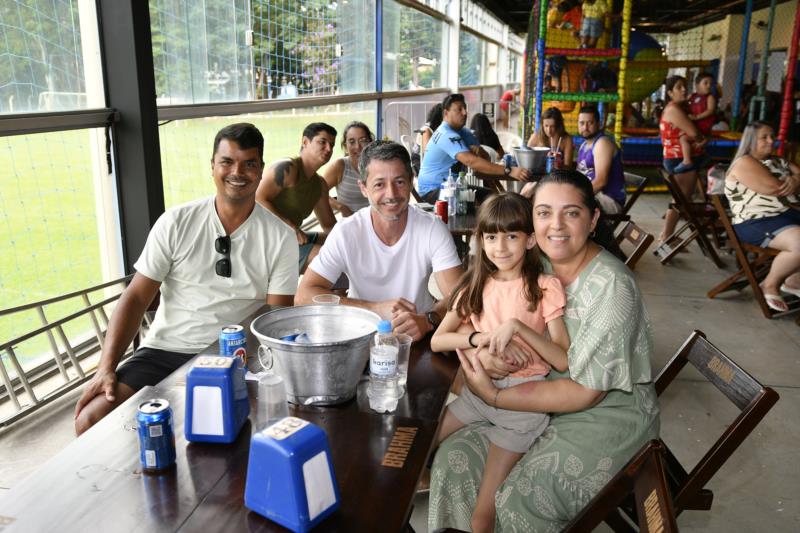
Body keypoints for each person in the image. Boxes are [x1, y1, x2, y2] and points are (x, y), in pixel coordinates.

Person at [429, 170, 660, 531]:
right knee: (453, 458)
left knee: (522, 495)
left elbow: (585, 393)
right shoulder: (535, 262)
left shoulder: (613, 289)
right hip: (529, 395)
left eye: (571, 213)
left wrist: (492, 395)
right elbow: (471, 317)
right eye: (544, 212)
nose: (556, 225)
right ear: (531, 225)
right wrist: (484, 353)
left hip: (601, 416)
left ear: (593, 219)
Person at [73, 123, 298, 435]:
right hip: (164, 349)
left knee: (234, 430)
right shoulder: (176, 222)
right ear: (212, 166)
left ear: (261, 170)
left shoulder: (280, 236)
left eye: (249, 164)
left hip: (234, 354)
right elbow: (136, 297)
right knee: (91, 417)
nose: (237, 172)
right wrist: (105, 368)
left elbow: (275, 316)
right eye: (227, 162)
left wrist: (243, 364)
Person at [430, 193, 570, 532]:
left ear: (530, 240)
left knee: (482, 516)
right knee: (418, 451)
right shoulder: (475, 283)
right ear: (480, 240)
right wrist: (481, 339)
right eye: (491, 237)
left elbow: (562, 359)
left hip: (522, 407)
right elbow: (438, 340)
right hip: (477, 396)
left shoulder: (543, 287)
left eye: (511, 236)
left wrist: (518, 328)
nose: (500, 247)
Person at [295, 141, 464, 341]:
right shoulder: (346, 232)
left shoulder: (432, 228)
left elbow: (460, 298)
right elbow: (303, 296)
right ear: (364, 188)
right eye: (379, 184)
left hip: (417, 336)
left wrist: (428, 319)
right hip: (359, 335)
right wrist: (373, 308)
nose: (391, 194)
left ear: (411, 182)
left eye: (399, 182)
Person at [725, 121, 800, 312]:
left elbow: (797, 175)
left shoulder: (776, 160)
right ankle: (770, 284)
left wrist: (794, 179)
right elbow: (775, 188)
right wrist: (792, 180)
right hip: (756, 221)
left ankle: (793, 280)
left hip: (785, 215)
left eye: (772, 136)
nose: (771, 141)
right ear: (750, 140)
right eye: (764, 137)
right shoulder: (745, 162)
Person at [417, 93, 530, 204]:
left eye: (465, 108)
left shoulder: (463, 132)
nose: (465, 113)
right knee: (489, 203)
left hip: (451, 187)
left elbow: (484, 158)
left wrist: (479, 151)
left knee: (491, 197)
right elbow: (471, 161)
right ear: (446, 113)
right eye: (459, 109)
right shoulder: (446, 134)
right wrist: (509, 170)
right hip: (433, 191)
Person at [256, 122, 338, 273]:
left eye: (332, 145)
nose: (329, 149)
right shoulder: (287, 168)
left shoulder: (320, 185)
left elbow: (329, 225)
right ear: (305, 142)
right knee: (329, 258)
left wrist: (354, 238)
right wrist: (291, 228)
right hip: (265, 241)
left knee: (338, 244)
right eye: (322, 142)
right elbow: (257, 199)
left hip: (289, 237)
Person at [659, 75, 707, 242]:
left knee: (681, 199)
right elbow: (693, 132)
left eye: (685, 86)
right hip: (680, 159)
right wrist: (700, 138)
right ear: (670, 92)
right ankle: (666, 237)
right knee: (680, 200)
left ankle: (667, 235)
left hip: (677, 158)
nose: (684, 90)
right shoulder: (673, 109)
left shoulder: (675, 108)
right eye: (679, 87)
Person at [568, 105, 625, 214]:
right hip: (593, 196)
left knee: (566, 206)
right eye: (582, 123)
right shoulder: (584, 145)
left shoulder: (602, 143)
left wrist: (576, 195)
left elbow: (601, 181)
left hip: (608, 199)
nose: (585, 127)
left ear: (598, 124)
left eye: (590, 123)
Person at [322, 121, 374, 217]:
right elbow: (318, 192)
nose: (358, 147)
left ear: (370, 143)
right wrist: (341, 207)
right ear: (345, 146)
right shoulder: (339, 166)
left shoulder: (378, 166)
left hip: (376, 221)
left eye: (363, 140)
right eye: (352, 142)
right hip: (350, 223)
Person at [688, 72, 718, 137]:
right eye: (706, 83)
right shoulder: (692, 96)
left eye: (711, 84)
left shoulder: (710, 97)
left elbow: (710, 110)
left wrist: (697, 117)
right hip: (693, 124)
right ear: (697, 85)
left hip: (704, 126)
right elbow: (683, 102)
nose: (709, 86)